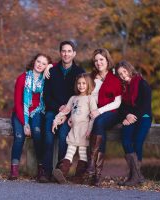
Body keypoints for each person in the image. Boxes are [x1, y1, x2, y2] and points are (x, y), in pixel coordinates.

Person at [39, 40, 85, 182]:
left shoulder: (80, 72)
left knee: (65, 136)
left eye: (69, 51)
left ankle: (59, 172)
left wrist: (67, 111)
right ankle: (44, 171)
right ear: (60, 53)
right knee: (48, 136)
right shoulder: (52, 71)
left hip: (71, 113)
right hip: (53, 110)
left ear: (74, 53)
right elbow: (46, 95)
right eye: (63, 51)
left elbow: (81, 95)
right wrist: (58, 108)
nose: (66, 54)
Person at [9, 53, 52, 180]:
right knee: (19, 136)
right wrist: (25, 124)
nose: (40, 65)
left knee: (37, 133)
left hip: (38, 112)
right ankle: (14, 170)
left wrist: (50, 66)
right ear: (34, 61)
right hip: (21, 112)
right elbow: (17, 103)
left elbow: (59, 65)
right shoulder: (22, 78)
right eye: (38, 61)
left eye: (44, 64)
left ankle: (41, 169)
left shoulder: (47, 78)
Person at [51, 73, 97, 184]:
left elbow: (94, 116)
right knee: (69, 151)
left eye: (84, 83)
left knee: (82, 153)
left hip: (84, 130)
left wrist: (90, 130)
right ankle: (62, 173)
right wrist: (55, 121)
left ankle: (79, 176)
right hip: (74, 129)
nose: (81, 86)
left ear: (88, 84)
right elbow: (65, 111)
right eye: (79, 83)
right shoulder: (73, 98)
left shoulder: (90, 99)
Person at [86, 48, 122, 186]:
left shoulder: (114, 78)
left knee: (99, 121)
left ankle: (92, 166)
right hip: (94, 113)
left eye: (101, 59)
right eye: (96, 60)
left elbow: (117, 102)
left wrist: (99, 111)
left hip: (112, 112)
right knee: (99, 125)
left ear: (107, 60)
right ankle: (97, 174)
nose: (98, 62)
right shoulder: (91, 78)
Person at [115, 60, 152, 186]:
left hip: (144, 116)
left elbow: (145, 105)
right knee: (125, 140)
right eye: (120, 74)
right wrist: (127, 115)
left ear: (129, 69)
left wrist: (133, 115)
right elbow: (121, 107)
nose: (123, 75)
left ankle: (134, 176)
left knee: (137, 140)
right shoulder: (122, 87)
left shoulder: (142, 83)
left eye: (124, 71)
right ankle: (137, 176)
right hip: (129, 117)